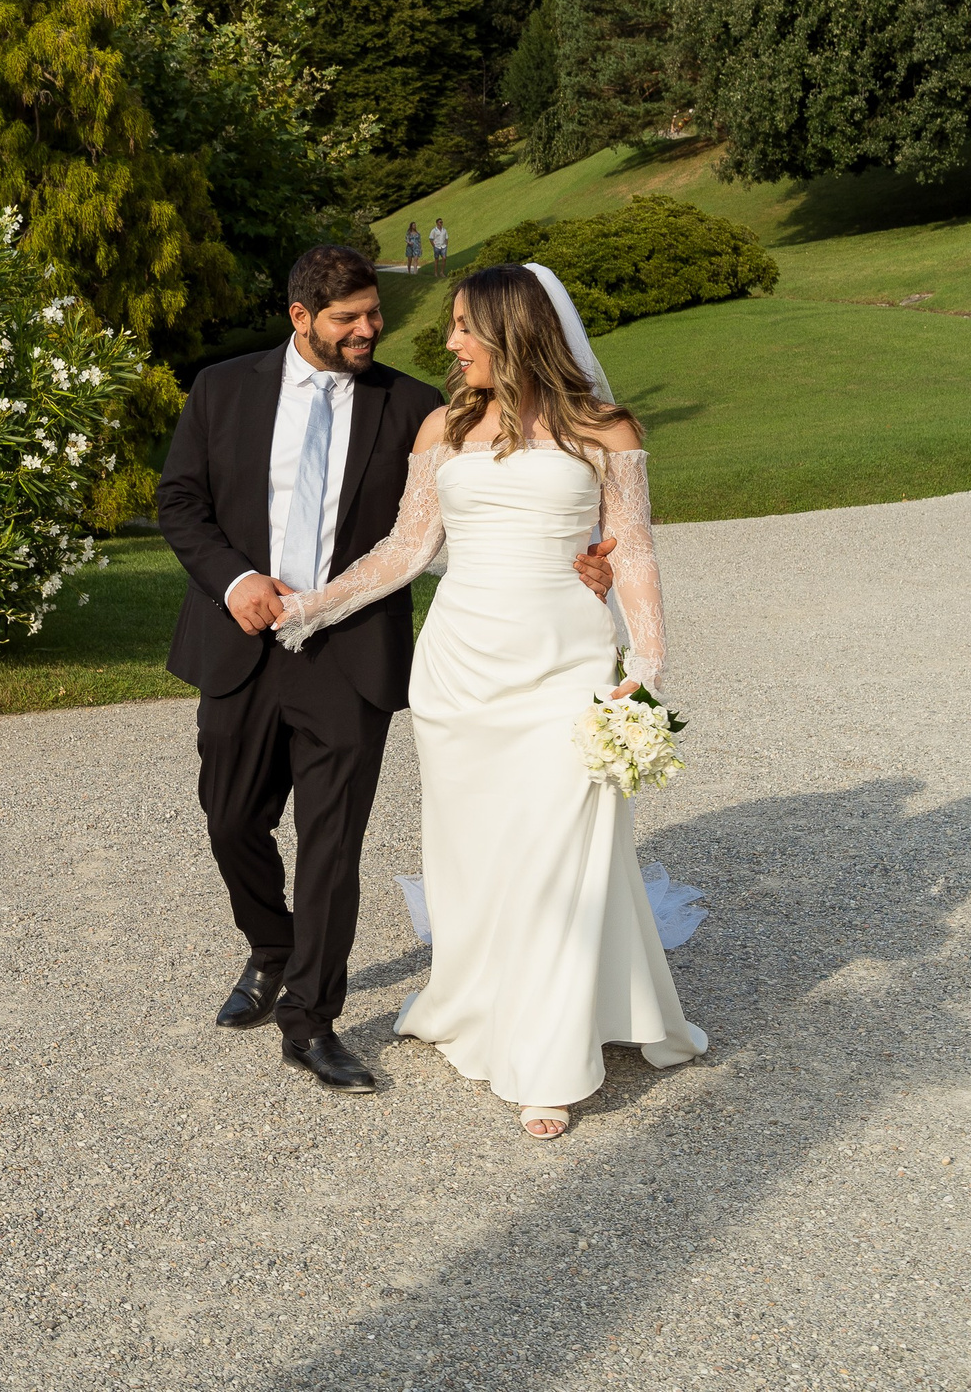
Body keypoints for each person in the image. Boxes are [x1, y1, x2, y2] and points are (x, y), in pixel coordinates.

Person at [156, 246, 617, 1093]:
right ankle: (272, 946)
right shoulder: (221, 389)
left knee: (332, 847)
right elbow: (179, 502)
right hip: (240, 641)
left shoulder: (413, 406)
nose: (369, 329)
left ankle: (310, 1019)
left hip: (352, 654)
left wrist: (581, 562)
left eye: (374, 312)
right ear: (301, 317)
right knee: (230, 818)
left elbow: (468, 516)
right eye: (349, 319)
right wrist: (235, 580)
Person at [272, 263, 706, 1140]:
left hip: (565, 663)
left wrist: (648, 664)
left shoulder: (606, 429)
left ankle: (548, 1057)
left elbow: (631, 550)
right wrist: (313, 606)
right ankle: (479, 998)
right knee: (476, 854)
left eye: (465, 325)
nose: (450, 341)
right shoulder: (445, 425)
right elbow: (406, 547)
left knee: (558, 851)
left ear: (512, 330)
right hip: (460, 673)